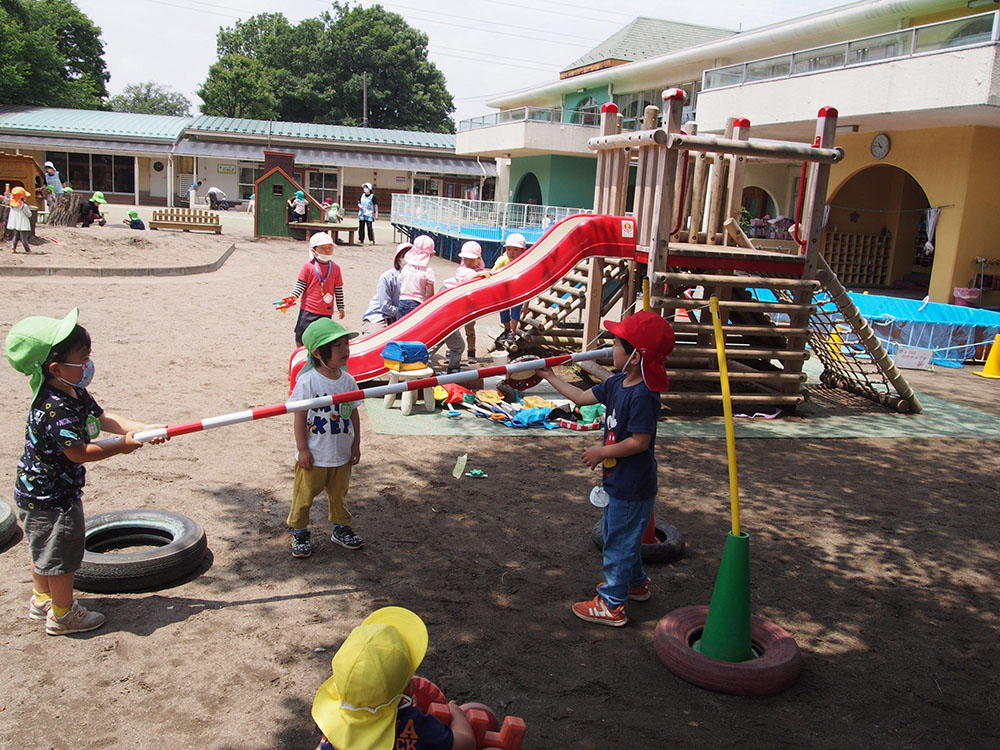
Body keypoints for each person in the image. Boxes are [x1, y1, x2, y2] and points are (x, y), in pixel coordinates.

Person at [4, 308, 166, 635]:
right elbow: (79, 453)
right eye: (83, 359)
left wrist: (144, 429)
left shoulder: (73, 392)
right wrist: (123, 445)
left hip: (35, 492)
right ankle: (62, 615)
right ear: (56, 367)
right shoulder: (54, 408)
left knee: (43, 550)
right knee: (61, 557)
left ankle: (41, 600)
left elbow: (104, 418)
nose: (89, 365)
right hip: (53, 500)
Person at [537, 310, 675, 627]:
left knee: (618, 542)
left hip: (632, 484)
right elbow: (582, 397)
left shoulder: (644, 395)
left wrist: (602, 451)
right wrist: (551, 376)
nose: (611, 347)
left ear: (635, 355)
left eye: (616, 343)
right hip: (618, 482)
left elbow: (640, 441)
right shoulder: (616, 382)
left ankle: (613, 604)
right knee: (622, 536)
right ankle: (636, 584)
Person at [312, 606, 476, 750]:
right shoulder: (414, 727)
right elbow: (466, 743)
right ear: (410, 689)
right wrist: (456, 712)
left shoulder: (330, 722)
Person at [288, 318, 364, 558]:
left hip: (341, 453)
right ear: (319, 353)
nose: (345, 350)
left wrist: (356, 443)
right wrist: (303, 449)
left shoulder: (348, 380)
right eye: (338, 346)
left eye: (346, 344)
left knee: (339, 496)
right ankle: (299, 531)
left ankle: (341, 529)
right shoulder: (308, 381)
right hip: (315, 455)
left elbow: (353, 412)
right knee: (304, 496)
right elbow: (299, 416)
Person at [287, 232, 346, 346]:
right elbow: (300, 285)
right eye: (323, 248)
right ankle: (301, 356)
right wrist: (293, 297)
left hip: (326, 311)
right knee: (301, 336)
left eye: (330, 247)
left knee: (322, 338)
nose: (328, 250)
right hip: (308, 309)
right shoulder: (308, 266)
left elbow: (338, 290)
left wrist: (341, 307)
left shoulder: (336, 268)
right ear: (314, 250)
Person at [437, 241, 486, 371]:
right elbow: (471, 276)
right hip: (451, 301)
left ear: (478, 259)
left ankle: (471, 352)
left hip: (468, 305)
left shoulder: (479, 270)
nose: (468, 262)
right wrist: (482, 275)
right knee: (451, 332)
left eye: (471, 259)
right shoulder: (463, 270)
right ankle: (451, 357)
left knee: (469, 329)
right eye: (465, 259)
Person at [360, 242, 410, 335]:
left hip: (404, 318)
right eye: (406, 256)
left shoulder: (419, 278)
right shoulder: (388, 277)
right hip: (380, 316)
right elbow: (385, 306)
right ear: (399, 260)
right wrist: (405, 312)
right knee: (375, 339)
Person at [491, 233, 528, 343]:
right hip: (504, 291)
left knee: (515, 312)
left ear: (523, 251)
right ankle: (507, 329)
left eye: (516, 250)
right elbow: (492, 273)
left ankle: (512, 331)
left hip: (518, 292)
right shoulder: (502, 260)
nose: (512, 252)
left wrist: (526, 304)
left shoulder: (524, 263)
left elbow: (529, 283)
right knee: (503, 311)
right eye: (509, 249)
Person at [397, 235, 435, 319]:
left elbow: (401, 282)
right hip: (417, 303)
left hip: (402, 301)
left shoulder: (406, 267)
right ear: (431, 254)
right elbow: (430, 294)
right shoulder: (428, 271)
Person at [6, 186, 33, 253]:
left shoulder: (12, 205)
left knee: (15, 236)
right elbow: (29, 214)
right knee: (23, 238)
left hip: (15, 223)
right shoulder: (23, 206)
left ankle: (13, 248)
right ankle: (28, 250)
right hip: (22, 223)